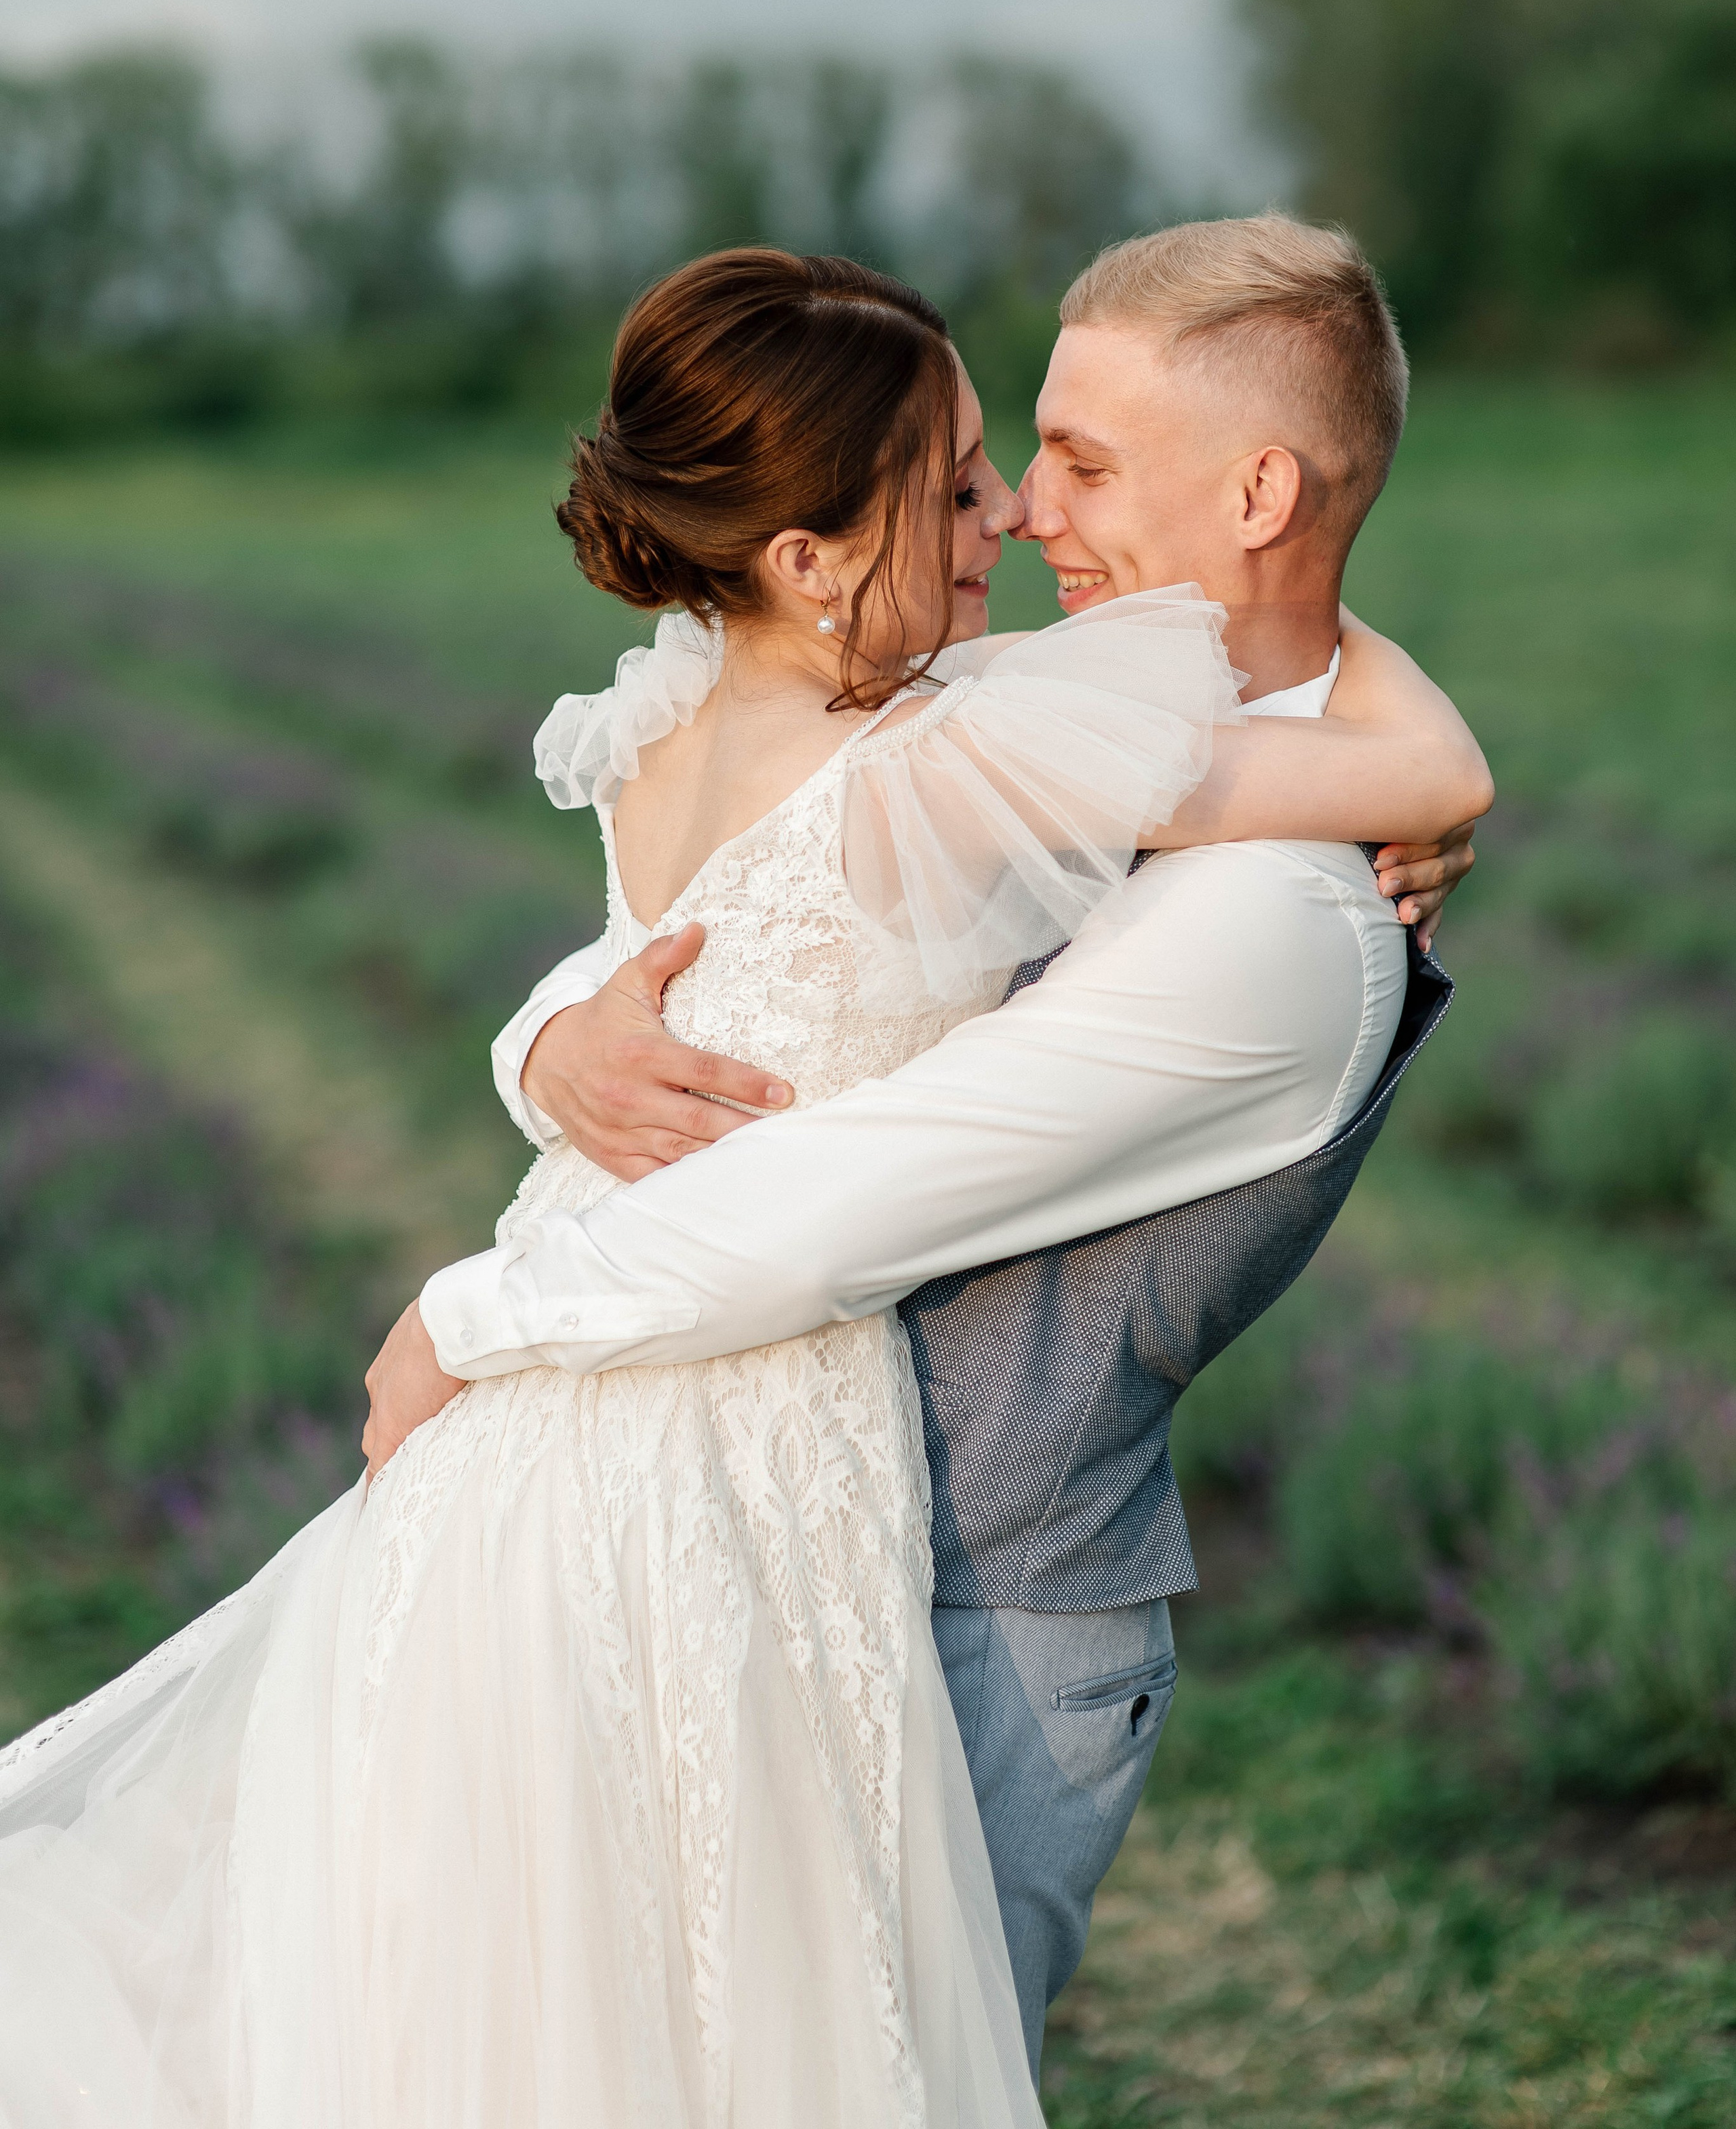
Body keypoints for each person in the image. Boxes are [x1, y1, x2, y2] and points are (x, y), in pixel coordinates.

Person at [0, 243, 1484, 2128]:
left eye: (1068, 463)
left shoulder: (1244, 898)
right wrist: (546, 1043)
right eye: (981, 469)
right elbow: (687, 967)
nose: (1022, 515)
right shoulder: (963, 741)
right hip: (707, 1470)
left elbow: (838, 1179)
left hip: (894, 1550)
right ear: (804, 555)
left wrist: (477, 1300)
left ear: (1260, 490)